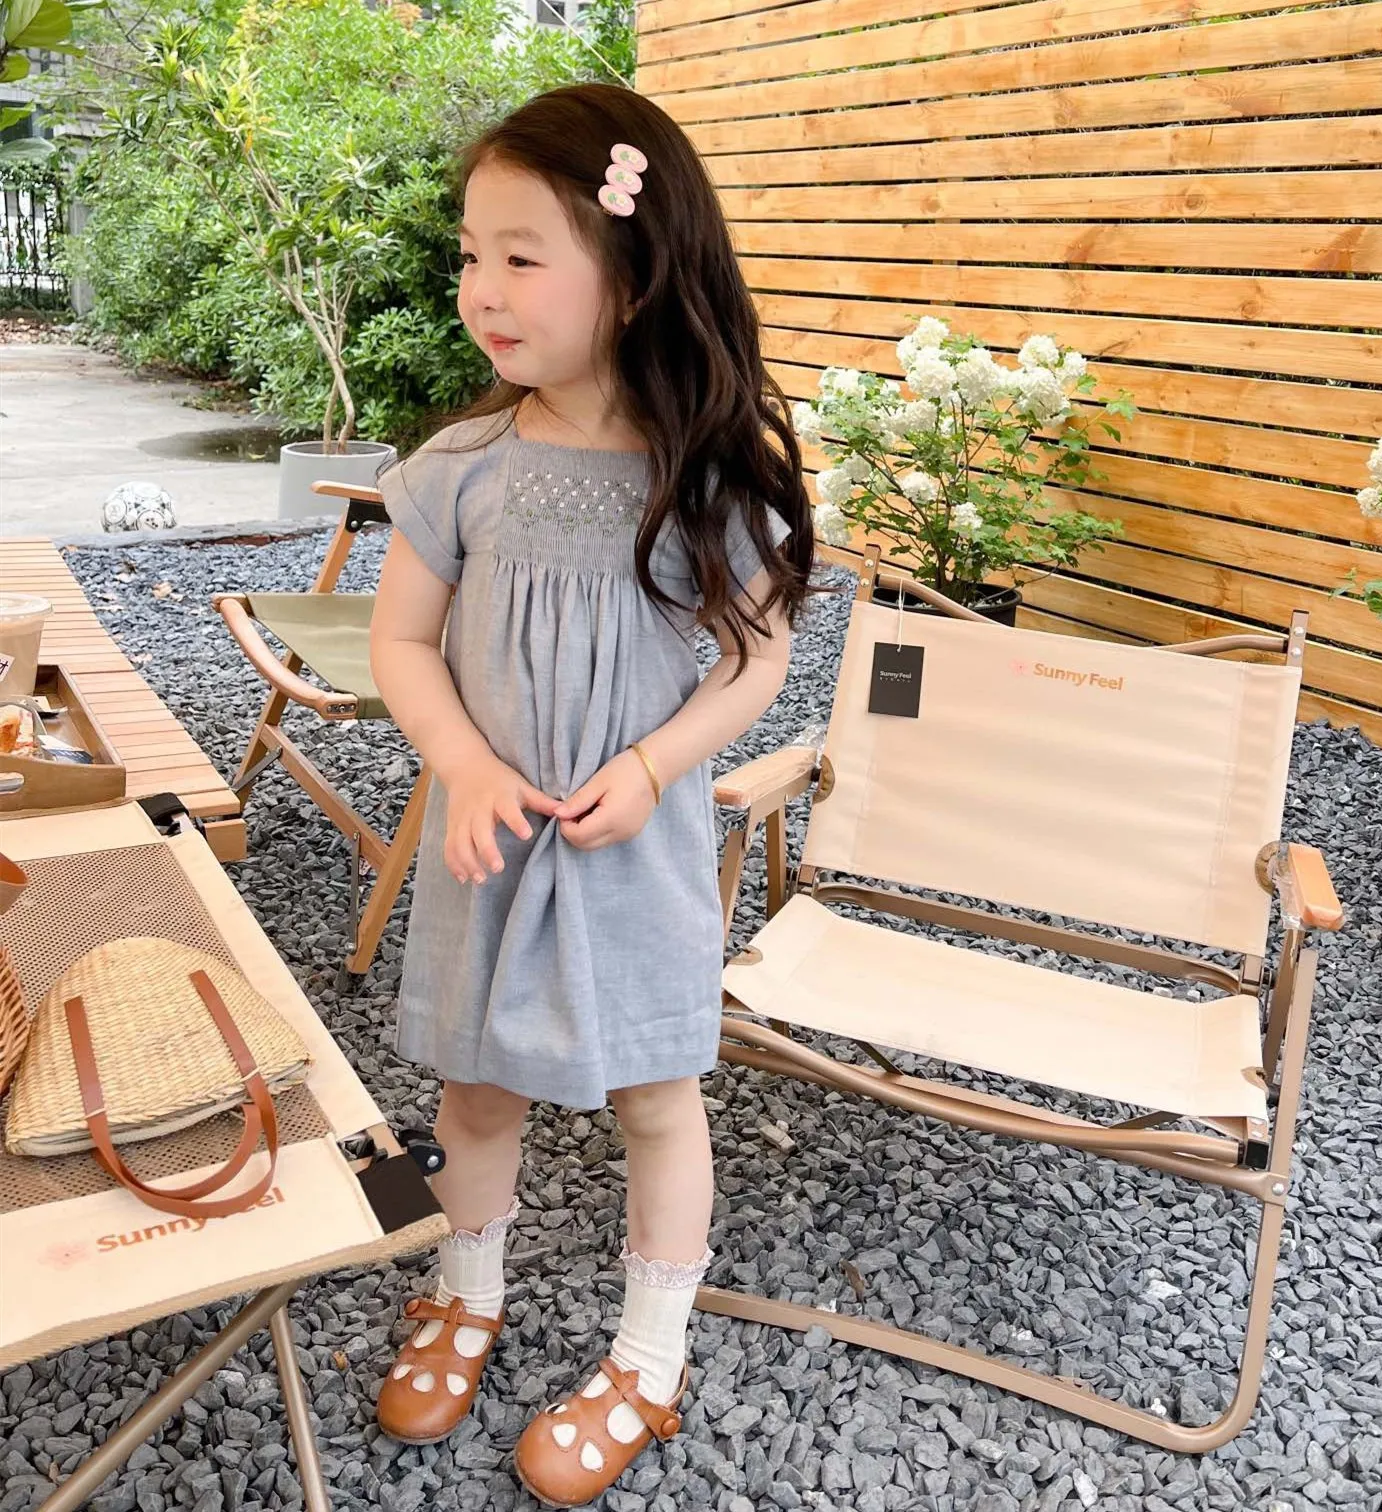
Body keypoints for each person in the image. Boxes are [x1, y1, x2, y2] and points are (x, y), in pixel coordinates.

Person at [366, 82, 815, 1507]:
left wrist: (652, 765)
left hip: (636, 851)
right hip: (490, 843)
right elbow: (401, 643)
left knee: (658, 1104)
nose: (481, 290)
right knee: (475, 1088)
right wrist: (463, 761)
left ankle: (649, 1358)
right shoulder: (462, 468)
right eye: (469, 254)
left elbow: (757, 663)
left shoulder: (706, 480)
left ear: (634, 272)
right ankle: (466, 1293)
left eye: (521, 256)